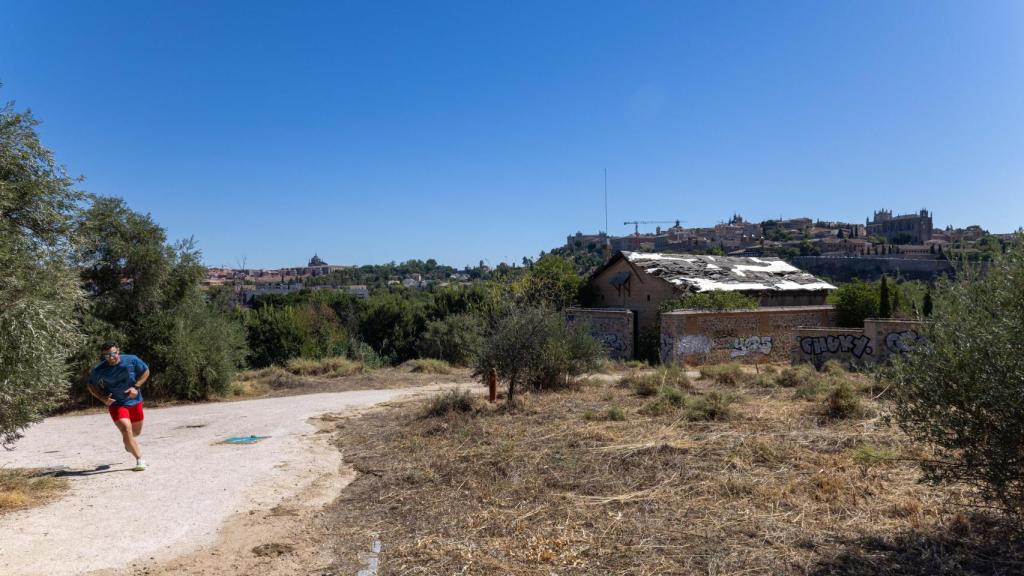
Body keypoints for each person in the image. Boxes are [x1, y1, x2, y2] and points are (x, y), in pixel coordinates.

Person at [87, 341, 150, 471]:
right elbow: (91, 385)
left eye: (113, 354)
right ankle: (139, 459)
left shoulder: (131, 360)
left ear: (118, 351)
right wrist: (103, 398)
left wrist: (136, 387)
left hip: (135, 402)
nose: (111, 358)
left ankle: (128, 444)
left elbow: (145, 371)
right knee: (126, 429)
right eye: (106, 356)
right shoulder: (99, 369)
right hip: (116, 404)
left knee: (136, 432)